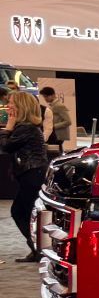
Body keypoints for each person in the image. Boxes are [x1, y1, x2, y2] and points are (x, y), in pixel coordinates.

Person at [5, 90, 48, 262]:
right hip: (31, 174)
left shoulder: (26, 128)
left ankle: (38, 249)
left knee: (21, 212)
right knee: (25, 212)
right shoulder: (27, 127)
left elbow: (5, 146)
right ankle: (36, 248)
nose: (8, 106)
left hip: (32, 174)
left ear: (21, 107)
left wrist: (8, 126)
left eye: (12, 103)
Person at [39, 86, 71, 157]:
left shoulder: (59, 106)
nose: (45, 99)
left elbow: (68, 121)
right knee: (57, 153)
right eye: (44, 97)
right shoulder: (53, 105)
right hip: (55, 134)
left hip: (58, 134)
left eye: (46, 96)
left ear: (53, 95)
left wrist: (53, 126)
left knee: (56, 153)